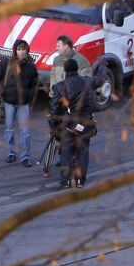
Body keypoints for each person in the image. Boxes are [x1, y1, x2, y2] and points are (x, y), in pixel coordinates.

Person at [49, 57, 96, 188]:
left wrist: (53, 128)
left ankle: (66, 181)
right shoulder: (86, 81)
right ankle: (80, 180)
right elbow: (97, 82)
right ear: (77, 69)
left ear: (65, 70)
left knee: (66, 151)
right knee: (83, 151)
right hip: (86, 122)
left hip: (68, 124)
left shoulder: (60, 86)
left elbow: (53, 109)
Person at [0, 39, 39, 166]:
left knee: (25, 131)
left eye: (23, 49)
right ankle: (11, 153)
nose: (21, 52)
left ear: (27, 51)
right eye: (19, 49)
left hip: (23, 104)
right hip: (9, 102)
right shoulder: (6, 63)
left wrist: (29, 96)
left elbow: (35, 84)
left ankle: (25, 157)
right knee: (9, 130)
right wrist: (2, 92)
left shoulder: (31, 67)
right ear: (15, 51)